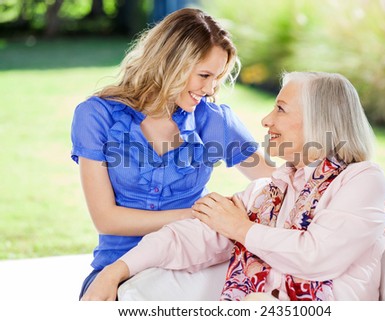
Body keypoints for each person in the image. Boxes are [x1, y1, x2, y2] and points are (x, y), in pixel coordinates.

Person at [81, 71, 385, 301]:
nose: (266, 120)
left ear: (320, 119)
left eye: (280, 109)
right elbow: (193, 235)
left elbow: (317, 257)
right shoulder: (271, 189)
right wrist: (117, 270)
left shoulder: (361, 180)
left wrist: (240, 228)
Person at [71, 8, 275, 300]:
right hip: (114, 270)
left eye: (217, 78)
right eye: (204, 75)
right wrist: (197, 215)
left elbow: (275, 181)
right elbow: (107, 219)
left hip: (189, 266)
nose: (210, 89)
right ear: (171, 63)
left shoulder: (214, 120)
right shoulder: (96, 115)